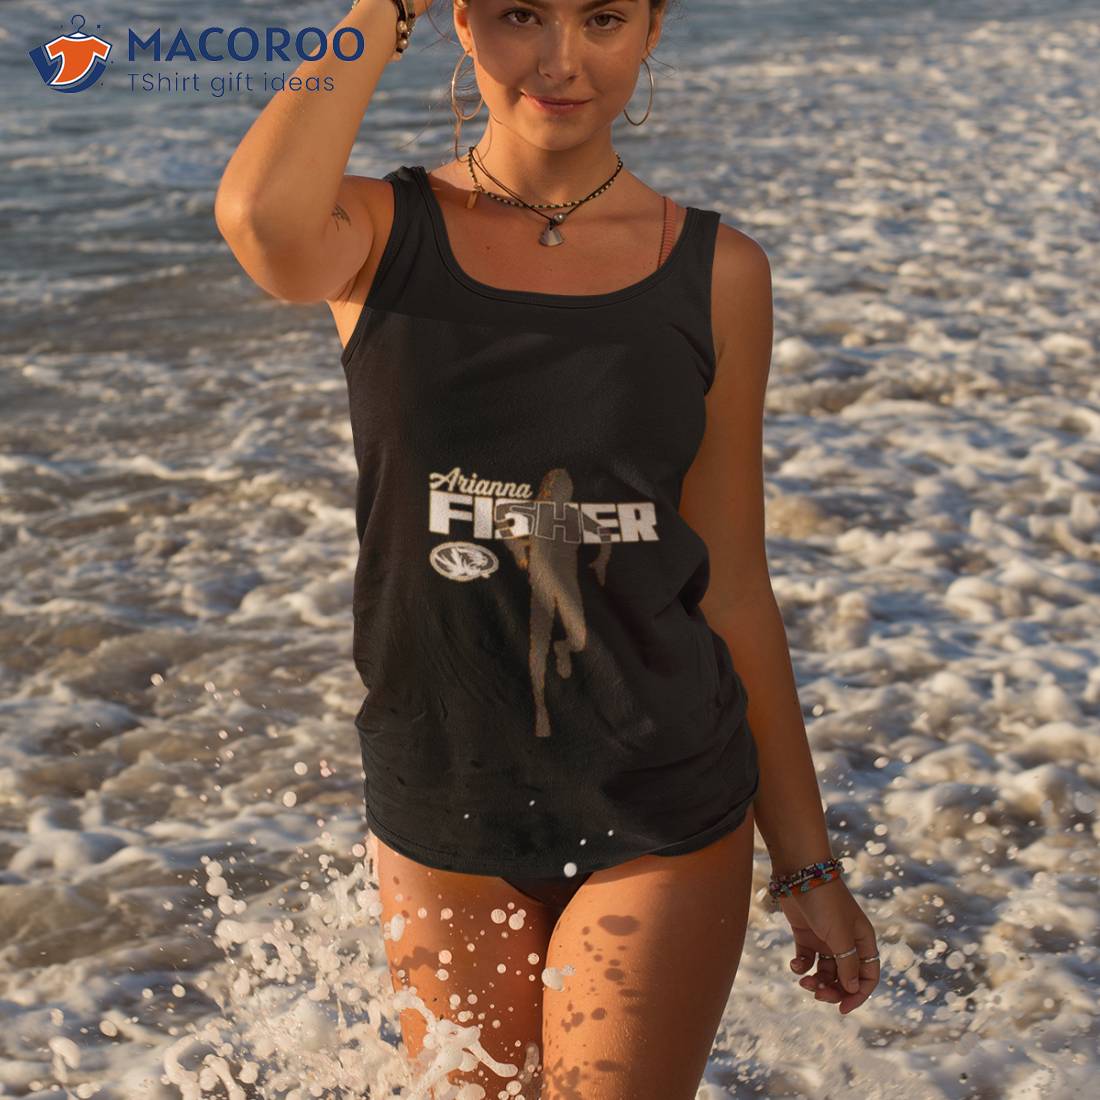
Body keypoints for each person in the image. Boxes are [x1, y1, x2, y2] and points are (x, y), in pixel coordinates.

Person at [214, 1, 882, 1096]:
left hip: (659, 796)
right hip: (443, 792)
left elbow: (732, 590)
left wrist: (807, 865)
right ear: (461, 21)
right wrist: (381, 10)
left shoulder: (717, 272)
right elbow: (258, 216)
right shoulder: (377, 235)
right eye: (521, 13)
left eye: (604, 18)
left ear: (651, 31)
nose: (562, 60)